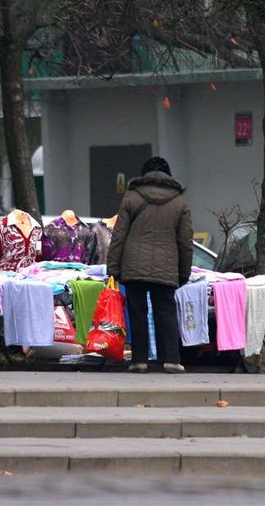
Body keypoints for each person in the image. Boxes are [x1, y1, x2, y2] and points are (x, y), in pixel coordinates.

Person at [106, 156, 194, 374]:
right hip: (167, 265)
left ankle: (139, 360)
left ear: (144, 174)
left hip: (133, 264)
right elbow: (185, 241)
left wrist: (113, 269)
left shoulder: (132, 197)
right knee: (166, 311)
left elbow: (118, 236)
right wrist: (184, 271)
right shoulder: (180, 201)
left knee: (138, 312)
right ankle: (171, 359)